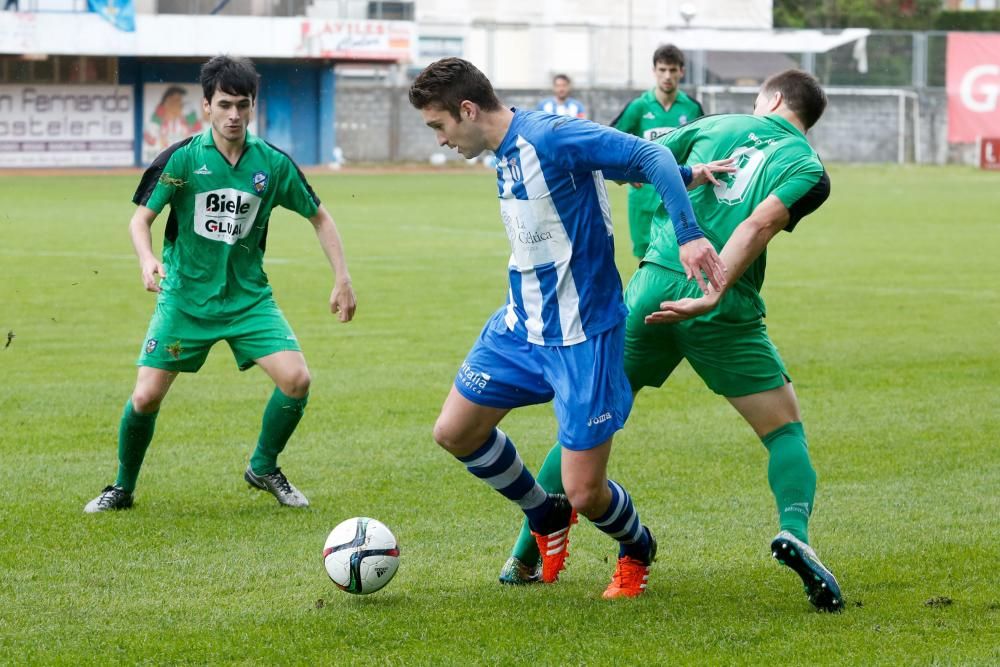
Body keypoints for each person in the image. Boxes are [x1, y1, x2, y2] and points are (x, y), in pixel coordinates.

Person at [500, 69, 844, 613]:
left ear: (772, 99)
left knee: (584, 422)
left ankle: (523, 555)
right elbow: (756, 225)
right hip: (723, 304)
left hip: (653, 288)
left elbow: (640, 167)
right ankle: (794, 531)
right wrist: (713, 289)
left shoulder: (717, 122)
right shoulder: (809, 168)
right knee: (783, 429)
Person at [409, 57, 726, 598]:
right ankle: (544, 514)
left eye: (439, 126)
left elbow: (646, 153)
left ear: (466, 110)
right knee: (455, 432)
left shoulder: (550, 135)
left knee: (586, 491)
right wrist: (691, 174)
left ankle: (636, 546)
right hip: (519, 325)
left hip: (584, 336)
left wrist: (690, 231)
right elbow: (610, 170)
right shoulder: (504, 151)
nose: (439, 140)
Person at [84, 55, 356, 513]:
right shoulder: (184, 159)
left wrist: (342, 277)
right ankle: (121, 487)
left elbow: (320, 216)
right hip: (185, 300)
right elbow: (141, 219)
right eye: (224, 104)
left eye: (243, 105)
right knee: (146, 396)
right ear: (206, 105)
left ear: (252, 107)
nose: (234, 115)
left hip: (248, 300)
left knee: (297, 380)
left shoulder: (271, 164)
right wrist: (147, 257)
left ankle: (263, 467)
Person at [613, 44, 704, 260]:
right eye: (662, 70)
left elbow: (702, 148)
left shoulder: (692, 108)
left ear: (681, 72)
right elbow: (612, 143)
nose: (667, 76)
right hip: (643, 198)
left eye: (673, 70)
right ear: (654, 71)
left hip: (679, 197)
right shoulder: (638, 107)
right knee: (646, 262)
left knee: (678, 260)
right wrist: (622, 172)